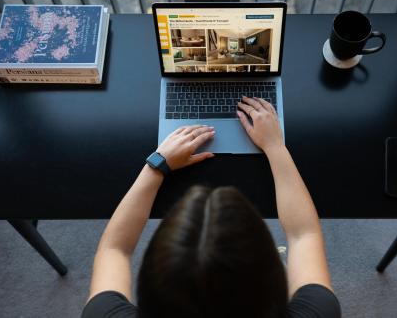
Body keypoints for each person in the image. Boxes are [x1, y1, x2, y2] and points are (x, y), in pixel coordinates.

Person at [82, 96, 341, 318]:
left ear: (148, 282)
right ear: (273, 276)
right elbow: (303, 234)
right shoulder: (320, 312)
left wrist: (158, 164)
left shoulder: (102, 314)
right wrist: (275, 146)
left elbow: (114, 249)